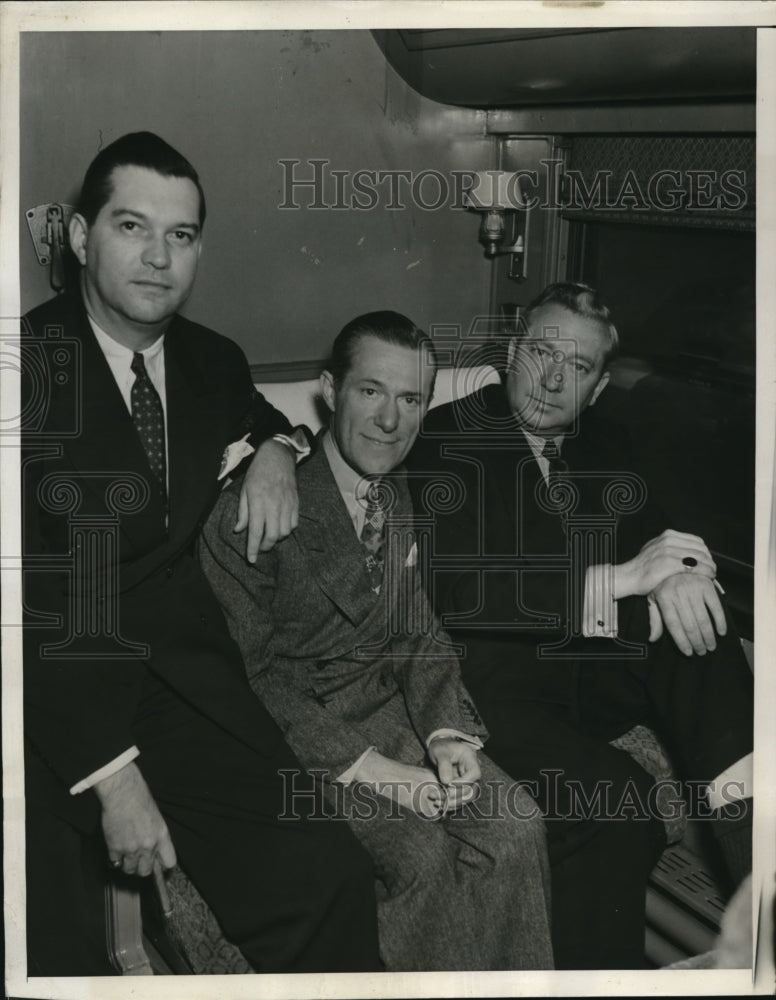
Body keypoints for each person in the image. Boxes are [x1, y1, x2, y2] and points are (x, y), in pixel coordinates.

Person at [21, 131, 380, 975]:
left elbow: (264, 416)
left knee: (324, 873)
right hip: (42, 700)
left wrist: (276, 454)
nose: (158, 258)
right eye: (131, 227)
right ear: (80, 238)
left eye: (179, 236)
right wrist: (112, 777)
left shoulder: (210, 359)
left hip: (184, 684)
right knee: (53, 950)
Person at [406, 281, 754, 969]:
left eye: (581, 367)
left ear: (596, 389)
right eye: (542, 351)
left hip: (589, 669)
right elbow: (464, 590)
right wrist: (628, 579)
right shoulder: (444, 435)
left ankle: (759, 856)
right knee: (619, 800)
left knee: (701, 625)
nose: (554, 377)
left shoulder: (610, 440)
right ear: (512, 353)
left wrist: (683, 572)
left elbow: (666, 535)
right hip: (491, 685)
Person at [199, 311, 554, 972]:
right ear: (332, 390)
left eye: (411, 398)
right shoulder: (255, 508)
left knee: (516, 823)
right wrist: (383, 773)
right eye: (371, 391)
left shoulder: (397, 495)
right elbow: (256, 677)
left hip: (394, 714)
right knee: (419, 854)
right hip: (300, 740)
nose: (391, 420)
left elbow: (418, 630)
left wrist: (448, 734)